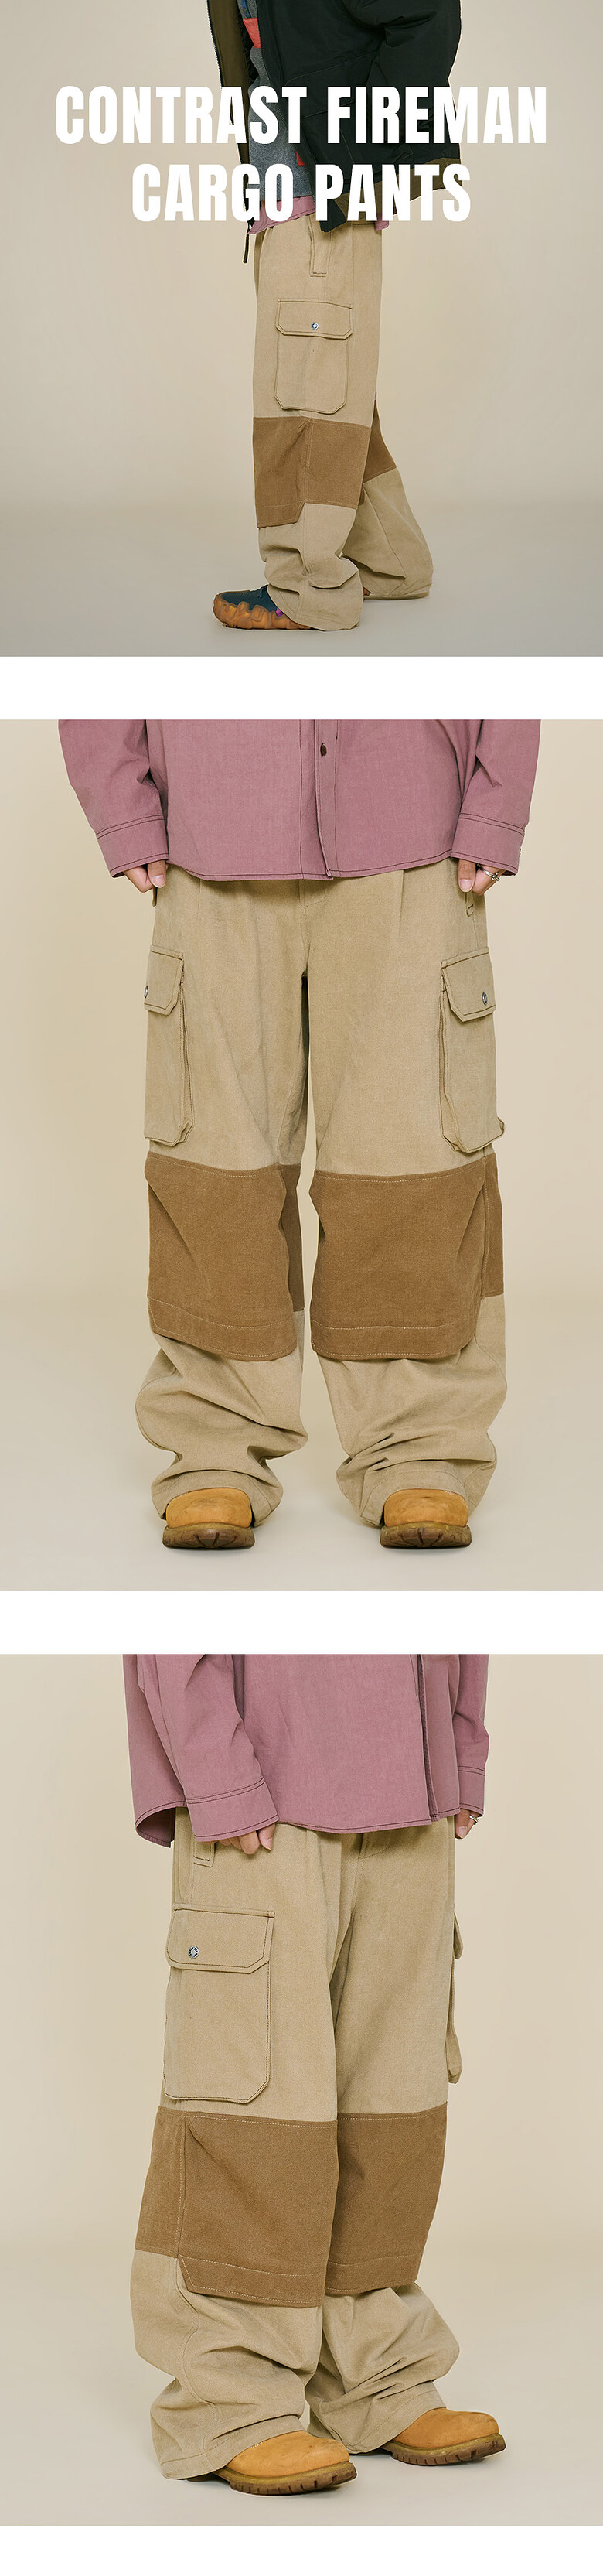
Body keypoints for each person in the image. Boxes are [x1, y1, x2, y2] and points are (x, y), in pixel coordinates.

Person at [59, 716, 540, 1554]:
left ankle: (420, 1443)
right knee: (217, 1167)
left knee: (414, 1162)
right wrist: (120, 800)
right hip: (211, 834)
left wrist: (496, 801)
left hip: (413, 829)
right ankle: (215, 1439)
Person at [125, 1649, 503, 2492]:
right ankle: (231, 2399)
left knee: (393, 2103)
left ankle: (376, 2373)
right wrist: (217, 1772)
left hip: (415, 1781)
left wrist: (459, 1746)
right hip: (264, 1777)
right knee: (253, 2113)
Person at [174, 0, 462, 632]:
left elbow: (432, 2)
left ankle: (308, 588)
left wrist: (372, 142)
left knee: (299, 401)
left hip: (321, 204)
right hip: (284, 207)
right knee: (331, 388)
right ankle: (391, 562)